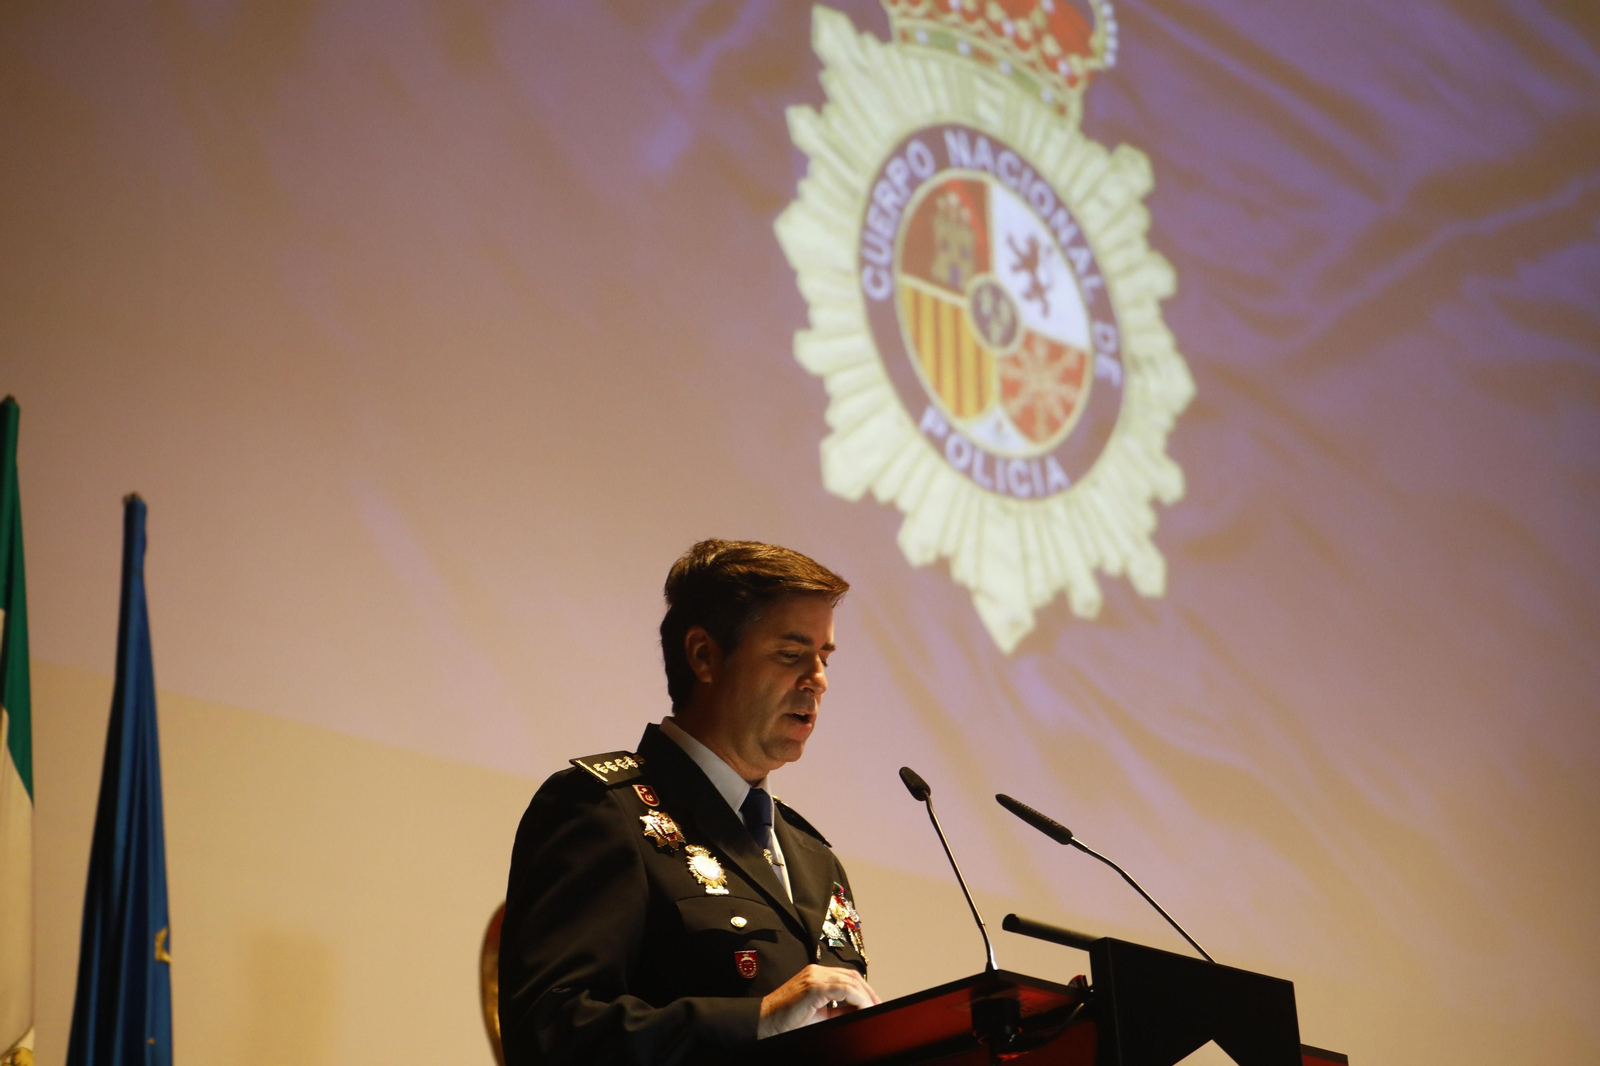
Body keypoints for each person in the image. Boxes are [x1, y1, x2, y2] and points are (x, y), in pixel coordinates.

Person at [499, 539, 881, 1065]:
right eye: (791, 655)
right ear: (704, 655)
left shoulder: (813, 857)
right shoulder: (603, 810)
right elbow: (549, 1031)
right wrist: (757, 1020)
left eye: (824, 658)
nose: (818, 681)